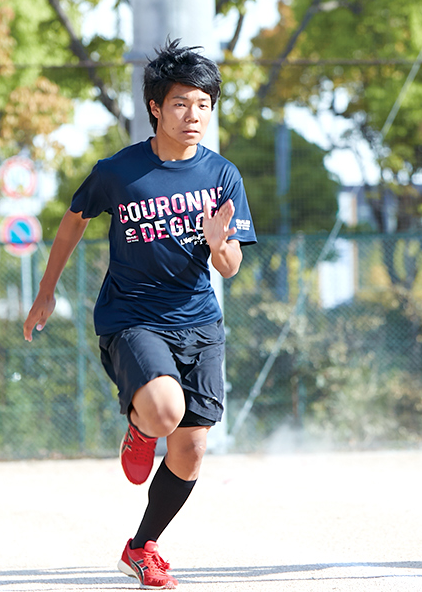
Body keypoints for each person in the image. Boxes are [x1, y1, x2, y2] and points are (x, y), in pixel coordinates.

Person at [24, 40, 255, 589]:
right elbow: (73, 221)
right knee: (163, 410)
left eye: (202, 104)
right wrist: (45, 292)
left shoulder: (223, 176)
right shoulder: (119, 171)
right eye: (180, 104)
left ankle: (142, 545)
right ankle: (140, 424)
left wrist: (218, 242)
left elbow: (231, 266)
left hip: (198, 321)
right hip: (131, 319)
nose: (192, 116)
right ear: (156, 106)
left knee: (193, 447)